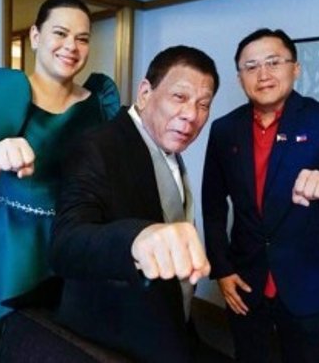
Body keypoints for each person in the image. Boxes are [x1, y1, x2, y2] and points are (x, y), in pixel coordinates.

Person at [0, 0, 120, 363]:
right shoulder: (5, 89)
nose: (71, 46)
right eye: (60, 33)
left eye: (82, 38)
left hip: (78, 245)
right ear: (35, 36)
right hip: (15, 245)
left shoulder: (100, 103)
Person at [202, 28, 319, 363]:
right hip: (245, 275)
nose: (263, 75)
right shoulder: (224, 129)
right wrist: (221, 268)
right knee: (249, 355)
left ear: (295, 68)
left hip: (308, 274)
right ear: (240, 78)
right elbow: (213, 204)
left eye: (273, 62)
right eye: (251, 66)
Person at [50, 45, 224, 362]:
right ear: (145, 93)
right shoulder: (96, 146)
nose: (191, 115)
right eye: (180, 97)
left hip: (172, 321)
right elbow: (66, 245)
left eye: (204, 105)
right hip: (119, 332)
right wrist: (137, 239)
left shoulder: (166, 143)